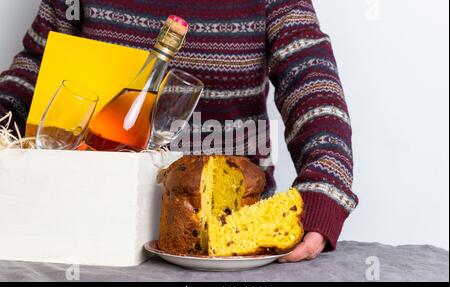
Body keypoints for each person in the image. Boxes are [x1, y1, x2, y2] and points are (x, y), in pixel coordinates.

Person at [0, 0, 358, 262]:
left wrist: (324, 189)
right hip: (92, 224)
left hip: (226, 244)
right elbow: (36, 65)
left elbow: (311, 80)